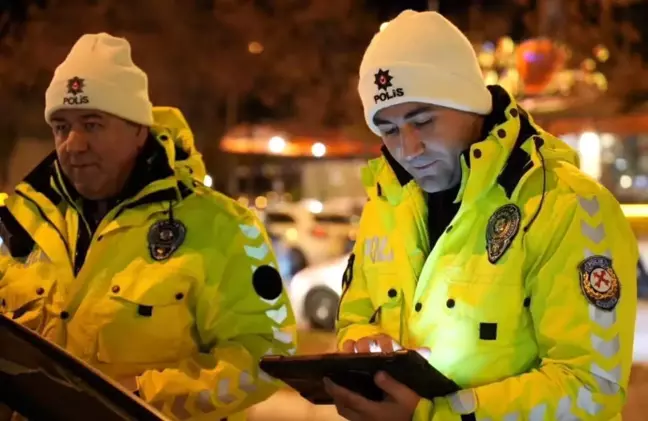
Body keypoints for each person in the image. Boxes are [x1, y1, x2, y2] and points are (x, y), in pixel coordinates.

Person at [330, 10, 637, 421]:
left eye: (423, 121)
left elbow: (591, 387)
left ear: (470, 104)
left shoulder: (567, 205)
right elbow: (354, 319)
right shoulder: (386, 203)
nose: (409, 149)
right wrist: (363, 345)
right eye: (388, 130)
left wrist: (435, 415)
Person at [0, 33, 296, 421]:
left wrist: (141, 394)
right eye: (61, 126)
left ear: (139, 129)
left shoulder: (225, 227)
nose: (73, 144)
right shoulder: (17, 223)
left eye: (92, 124)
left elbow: (268, 352)